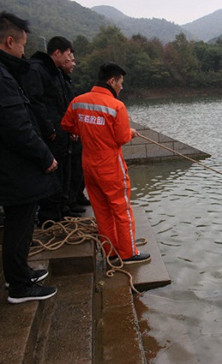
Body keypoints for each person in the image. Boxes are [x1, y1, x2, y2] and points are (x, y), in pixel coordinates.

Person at [61, 62, 151, 265]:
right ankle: (128, 253)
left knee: (101, 211)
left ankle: (109, 251)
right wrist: (130, 133)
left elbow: (67, 125)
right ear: (112, 80)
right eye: (121, 83)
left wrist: (85, 131)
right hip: (110, 167)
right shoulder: (115, 106)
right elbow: (120, 138)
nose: (121, 87)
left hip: (89, 166)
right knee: (122, 210)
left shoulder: (78, 101)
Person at [0, 11, 58, 303]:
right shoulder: (3, 77)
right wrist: (45, 157)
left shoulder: (8, 73)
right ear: (9, 42)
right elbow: (17, 126)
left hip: (12, 167)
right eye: (22, 45)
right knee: (19, 224)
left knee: (18, 222)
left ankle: (20, 272)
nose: (24, 51)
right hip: (13, 168)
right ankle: (20, 286)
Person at [22, 36, 76, 223]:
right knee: (53, 173)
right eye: (68, 54)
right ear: (57, 52)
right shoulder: (37, 69)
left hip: (62, 131)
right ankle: (50, 218)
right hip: (50, 133)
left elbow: (63, 103)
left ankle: (62, 211)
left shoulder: (56, 72)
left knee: (64, 172)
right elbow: (35, 102)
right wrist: (49, 128)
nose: (70, 59)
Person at [59, 51, 89, 213]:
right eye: (70, 59)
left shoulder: (65, 80)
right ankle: (68, 202)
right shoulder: (54, 78)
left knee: (79, 167)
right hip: (66, 132)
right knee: (72, 168)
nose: (73, 63)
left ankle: (77, 196)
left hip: (73, 132)